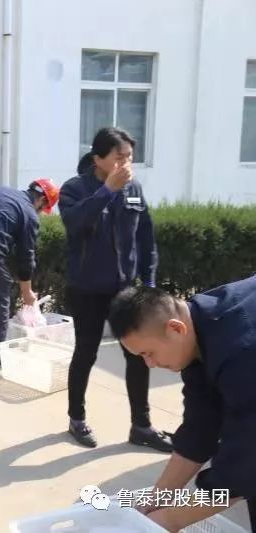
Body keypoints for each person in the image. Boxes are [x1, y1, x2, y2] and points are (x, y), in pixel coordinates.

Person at [108, 279, 256, 532]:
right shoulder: (197, 330)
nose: (150, 364)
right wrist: (154, 502)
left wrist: (169, 520)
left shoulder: (242, 351)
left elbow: (243, 465)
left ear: (175, 329)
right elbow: (200, 428)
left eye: (148, 353)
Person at [59, 126, 172, 451]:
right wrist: (107, 190)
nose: (126, 163)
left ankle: (142, 426)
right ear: (98, 159)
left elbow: (146, 239)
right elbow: (75, 223)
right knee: (86, 353)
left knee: (138, 355)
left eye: (129, 157)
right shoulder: (75, 189)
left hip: (125, 289)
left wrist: (149, 283)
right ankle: (77, 419)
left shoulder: (133, 188)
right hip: (87, 289)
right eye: (119, 157)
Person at [0, 178, 60, 367]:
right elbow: (26, 257)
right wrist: (27, 292)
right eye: (43, 209)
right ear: (42, 201)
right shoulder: (29, 214)